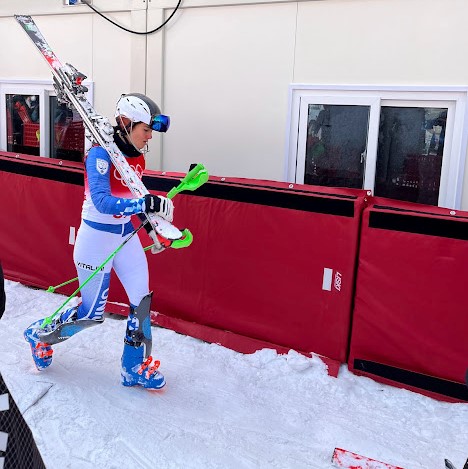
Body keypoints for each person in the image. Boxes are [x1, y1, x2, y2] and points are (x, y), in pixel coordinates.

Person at [24, 93, 173, 390]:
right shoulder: (99, 155)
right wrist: (146, 203)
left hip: (124, 238)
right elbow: (104, 202)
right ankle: (39, 335)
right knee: (92, 314)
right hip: (95, 240)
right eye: (146, 130)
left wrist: (154, 232)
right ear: (126, 123)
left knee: (140, 302)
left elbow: (134, 202)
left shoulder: (137, 158)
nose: (149, 138)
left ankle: (134, 368)